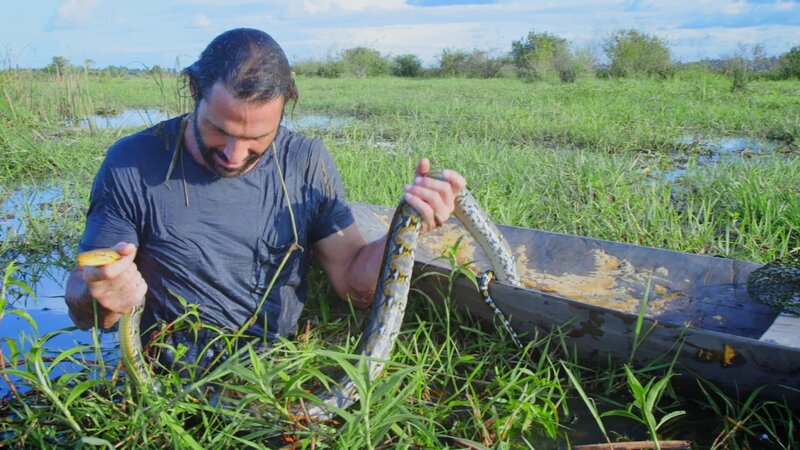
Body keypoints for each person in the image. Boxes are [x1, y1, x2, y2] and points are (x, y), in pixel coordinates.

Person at [64, 28, 465, 367]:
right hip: (164, 374)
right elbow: (85, 310)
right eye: (219, 130)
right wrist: (101, 295)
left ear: (285, 106)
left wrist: (407, 226)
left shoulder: (307, 161)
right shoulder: (131, 161)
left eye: (257, 137)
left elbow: (353, 284)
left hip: (272, 372)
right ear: (193, 91)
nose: (234, 156)